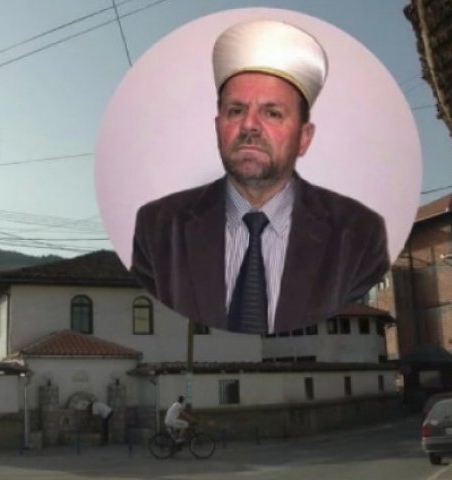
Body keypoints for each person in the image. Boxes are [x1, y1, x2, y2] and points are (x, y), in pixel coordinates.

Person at [131, 19, 389, 335]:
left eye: (272, 113)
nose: (249, 126)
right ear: (218, 128)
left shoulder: (357, 234)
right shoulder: (159, 228)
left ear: (304, 138)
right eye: (236, 110)